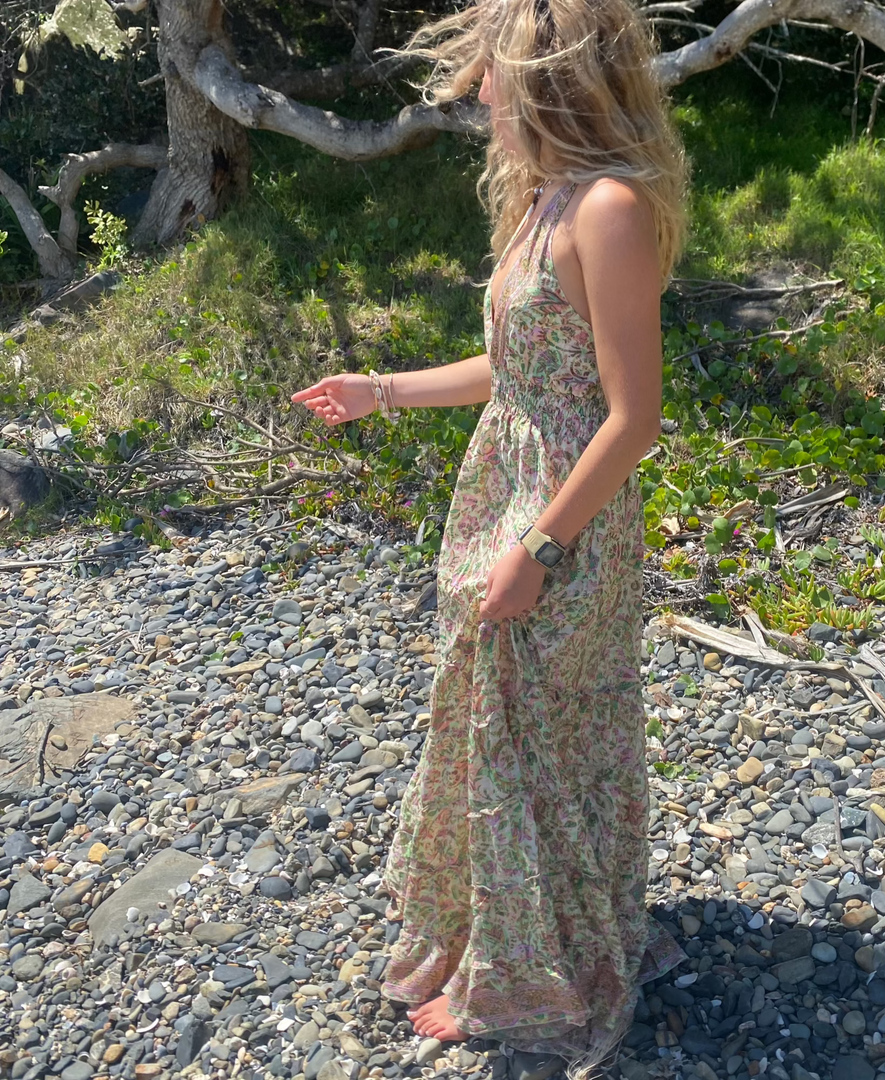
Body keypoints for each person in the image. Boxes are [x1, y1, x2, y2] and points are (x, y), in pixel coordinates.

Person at [291, 0, 688, 1071]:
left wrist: (545, 549)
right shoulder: (544, 200)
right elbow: (517, 370)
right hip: (507, 495)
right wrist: (380, 391)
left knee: (527, 732)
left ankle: (529, 976)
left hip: (564, 516)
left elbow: (631, 415)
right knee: (517, 729)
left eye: (494, 75)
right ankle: (540, 935)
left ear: (555, 80)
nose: (477, 94)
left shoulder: (607, 208)